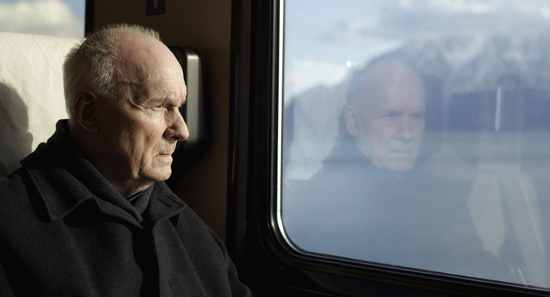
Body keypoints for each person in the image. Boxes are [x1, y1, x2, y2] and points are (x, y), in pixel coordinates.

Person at [0, 24, 252, 296]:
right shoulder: (10, 225)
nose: (182, 131)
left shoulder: (191, 228)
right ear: (89, 113)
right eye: (158, 106)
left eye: (178, 107)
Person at [284, 59, 512, 282]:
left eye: (416, 116)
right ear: (353, 121)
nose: (407, 133)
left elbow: (473, 267)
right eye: (391, 115)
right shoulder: (318, 207)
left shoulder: (442, 195)